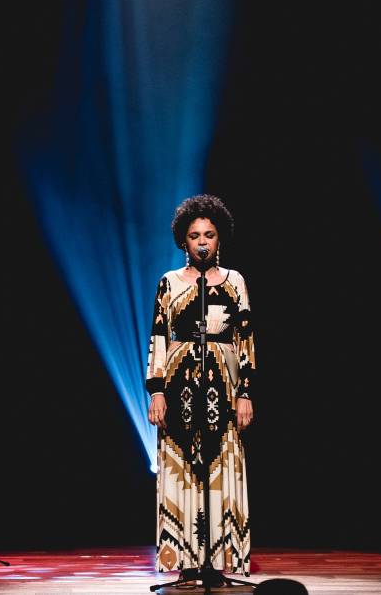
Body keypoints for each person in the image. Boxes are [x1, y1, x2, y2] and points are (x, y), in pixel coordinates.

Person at [146, 195, 254, 576]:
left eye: (210, 234)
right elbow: (158, 336)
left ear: (220, 238)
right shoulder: (169, 282)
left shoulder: (235, 281)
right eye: (195, 235)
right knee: (183, 466)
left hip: (224, 387)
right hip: (178, 389)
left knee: (221, 464)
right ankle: (186, 560)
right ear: (183, 241)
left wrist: (245, 393)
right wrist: (156, 389)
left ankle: (221, 559)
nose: (203, 241)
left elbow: (245, 339)